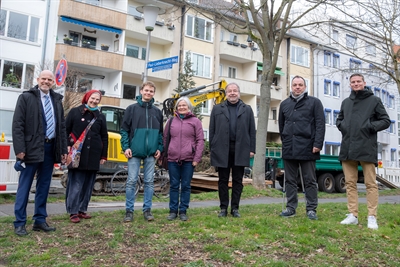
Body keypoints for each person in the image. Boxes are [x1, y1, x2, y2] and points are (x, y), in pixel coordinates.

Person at [12, 70, 68, 236]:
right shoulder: (26, 98)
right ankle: (19, 223)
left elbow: (62, 127)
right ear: (38, 80)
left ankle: (40, 220)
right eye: (43, 78)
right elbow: (17, 125)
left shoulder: (57, 100)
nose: (46, 81)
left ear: (53, 82)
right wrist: (20, 149)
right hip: (30, 149)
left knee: (44, 187)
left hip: (50, 149)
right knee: (25, 186)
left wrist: (63, 150)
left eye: (49, 79)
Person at [337, 73, 390, 230]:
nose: (355, 84)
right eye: (353, 82)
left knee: (370, 184)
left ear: (364, 83)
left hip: (366, 147)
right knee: (350, 183)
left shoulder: (374, 100)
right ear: (350, 84)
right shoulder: (346, 102)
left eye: (358, 81)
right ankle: (352, 214)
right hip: (348, 147)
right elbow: (339, 120)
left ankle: (372, 216)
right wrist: (343, 127)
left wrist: (369, 127)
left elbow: (385, 120)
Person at [278, 75, 325, 220]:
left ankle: (311, 209)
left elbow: (320, 124)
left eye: (300, 85)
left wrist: (317, 144)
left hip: (308, 147)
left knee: (310, 180)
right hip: (289, 147)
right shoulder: (284, 104)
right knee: (290, 180)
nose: (297, 87)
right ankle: (291, 208)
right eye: (295, 85)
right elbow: (281, 125)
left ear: (305, 87)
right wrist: (285, 140)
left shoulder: (314, 103)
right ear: (291, 87)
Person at [209, 82, 256, 218]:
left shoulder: (247, 109)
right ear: (226, 93)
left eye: (235, 90)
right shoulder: (217, 109)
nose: (232, 93)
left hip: (241, 149)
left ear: (239, 93)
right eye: (229, 91)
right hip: (221, 149)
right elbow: (212, 130)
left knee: (237, 180)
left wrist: (251, 148)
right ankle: (223, 208)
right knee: (222, 180)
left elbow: (252, 131)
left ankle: (235, 208)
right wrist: (213, 148)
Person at [120, 81, 163, 222]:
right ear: (141, 91)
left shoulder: (157, 112)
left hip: (151, 153)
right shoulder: (131, 109)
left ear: (154, 93)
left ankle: (147, 210)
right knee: (131, 181)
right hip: (134, 152)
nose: (148, 93)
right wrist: (125, 147)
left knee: (149, 181)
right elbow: (124, 130)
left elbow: (161, 134)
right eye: (146, 90)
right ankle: (129, 211)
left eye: (151, 91)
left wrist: (159, 148)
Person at [65, 90, 108, 223]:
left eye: (97, 99)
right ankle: (73, 211)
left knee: (89, 185)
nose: (94, 101)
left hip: (94, 155)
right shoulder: (75, 112)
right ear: (87, 98)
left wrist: (103, 155)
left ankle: (82, 209)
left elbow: (104, 137)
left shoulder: (100, 116)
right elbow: (65, 130)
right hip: (78, 154)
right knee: (76, 184)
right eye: (92, 98)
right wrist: (66, 146)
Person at [164, 97, 204, 221]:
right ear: (176, 108)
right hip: (173, 159)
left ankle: (183, 211)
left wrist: (196, 158)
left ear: (189, 107)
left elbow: (200, 140)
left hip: (189, 160)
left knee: (186, 186)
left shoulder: (195, 121)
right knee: (174, 185)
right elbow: (165, 139)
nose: (181, 107)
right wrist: (164, 155)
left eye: (184, 105)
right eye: (179, 105)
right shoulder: (171, 121)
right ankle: (173, 211)